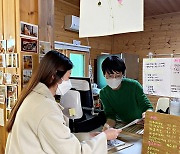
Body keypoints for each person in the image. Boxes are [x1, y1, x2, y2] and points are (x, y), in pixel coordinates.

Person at [5, 50, 121, 154]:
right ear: (53, 76)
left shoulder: (34, 96)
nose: (69, 82)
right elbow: (75, 152)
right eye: (68, 77)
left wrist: (88, 136)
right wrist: (104, 137)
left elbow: (57, 139)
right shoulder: (46, 108)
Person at [100, 56, 153, 131]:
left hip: (139, 124)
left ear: (123, 74)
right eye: (110, 75)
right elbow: (110, 115)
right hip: (122, 124)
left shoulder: (134, 85)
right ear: (104, 74)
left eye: (118, 76)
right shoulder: (103, 93)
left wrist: (146, 116)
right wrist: (107, 126)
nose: (114, 79)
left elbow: (147, 107)